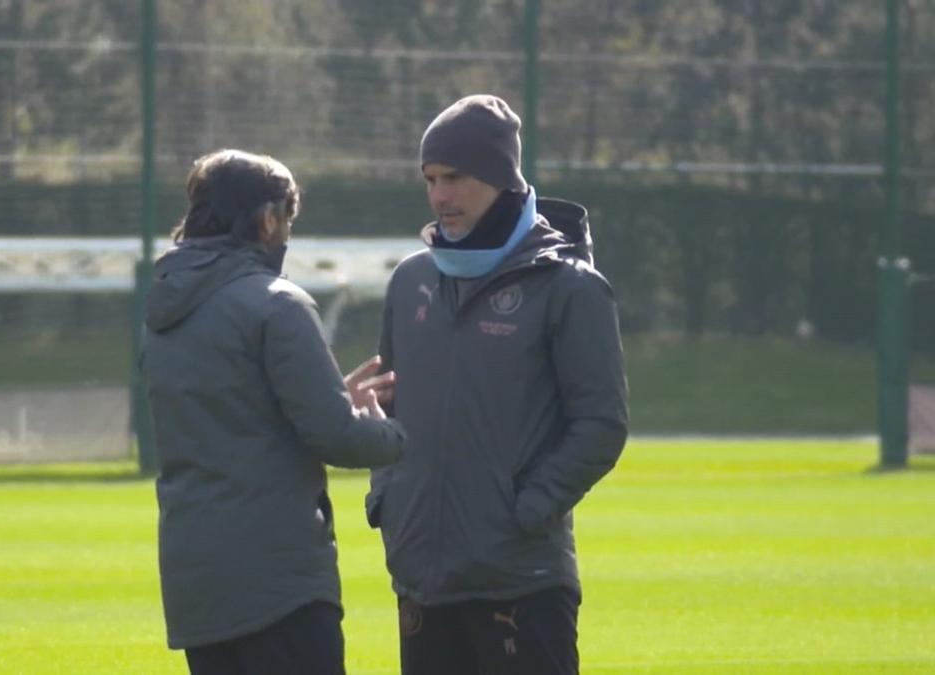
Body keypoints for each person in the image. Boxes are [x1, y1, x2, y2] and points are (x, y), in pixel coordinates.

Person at [365, 94, 629, 674]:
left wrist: (524, 510)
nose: (440, 195)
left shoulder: (571, 287)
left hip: (521, 580)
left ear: (497, 176)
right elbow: (389, 402)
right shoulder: (411, 281)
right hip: (423, 578)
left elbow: (602, 424)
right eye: (431, 179)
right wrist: (388, 496)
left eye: (455, 177)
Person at [140, 149, 406, 675]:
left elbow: (239, 416)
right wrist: (396, 432)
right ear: (267, 219)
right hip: (278, 584)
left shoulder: (163, 310)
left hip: (195, 580)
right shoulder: (277, 304)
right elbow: (339, 439)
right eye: (287, 219)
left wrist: (328, 399)